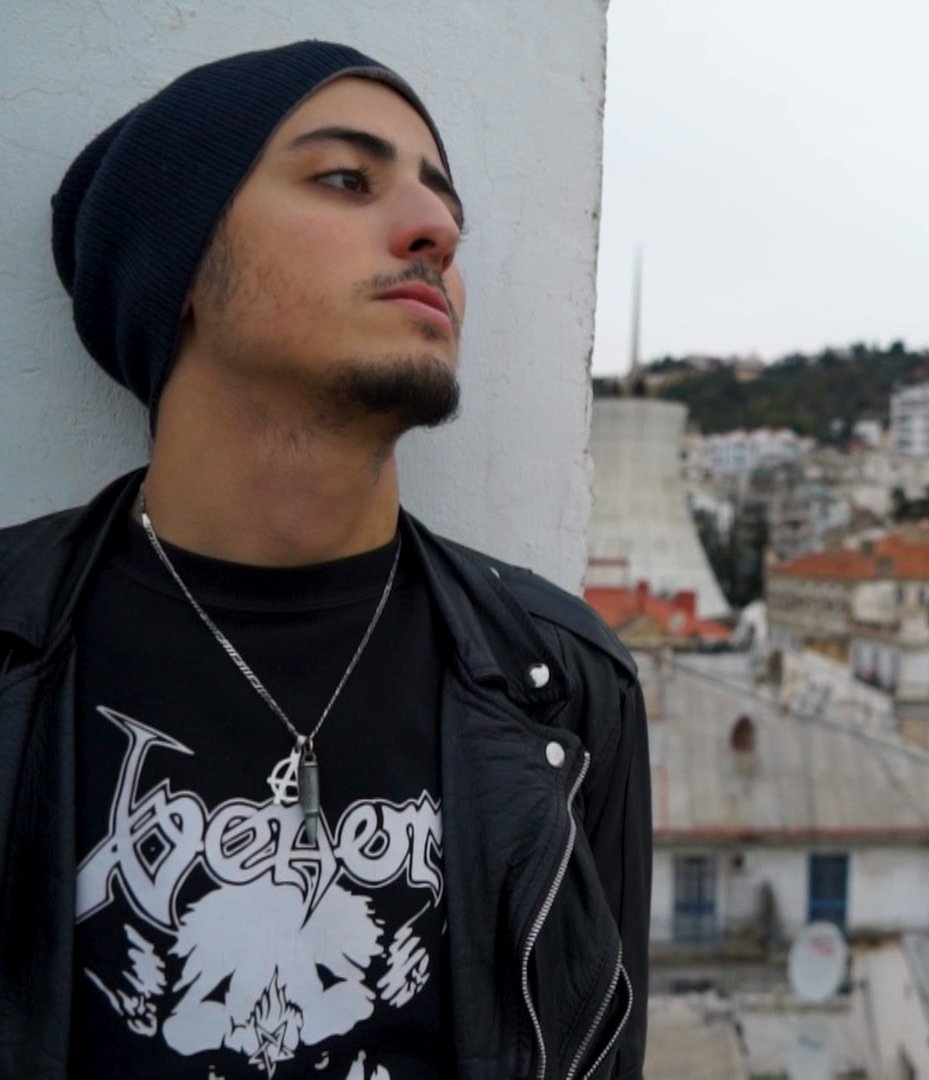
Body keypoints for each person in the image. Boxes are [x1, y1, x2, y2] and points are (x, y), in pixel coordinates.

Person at [0, 41, 649, 1079]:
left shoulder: (561, 682)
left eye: (444, 208)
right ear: (177, 273)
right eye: (345, 179)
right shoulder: (13, 646)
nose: (434, 230)